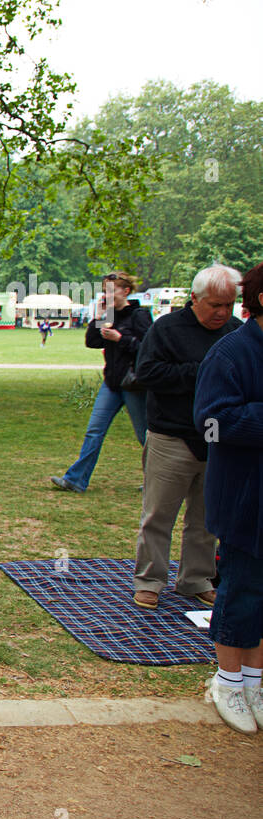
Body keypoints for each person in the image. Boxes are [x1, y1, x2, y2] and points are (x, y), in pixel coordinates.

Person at [131, 263, 243, 611]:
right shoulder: (166, 329)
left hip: (219, 438)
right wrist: (202, 373)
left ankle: (196, 578)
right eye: (215, 305)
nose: (222, 312)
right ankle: (150, 580)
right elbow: (146, 372)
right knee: (158, 515)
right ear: (194, 299)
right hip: (171, 435)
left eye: (229, 304)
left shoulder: (238, 332)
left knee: (207, 518)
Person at [193, 261, 263, 732]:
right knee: (240, 591)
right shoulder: (231, 353)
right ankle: (227, 681)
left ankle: (255, 680)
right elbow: (212, 422)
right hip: (244, 500)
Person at [49, 272, 151, 493]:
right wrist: (99, 317)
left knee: (145, 435)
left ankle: (159, 480)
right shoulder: (110, 314)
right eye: (105, 290)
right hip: (112, 383)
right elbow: (92, 342)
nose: (108, 294)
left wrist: (121, 339)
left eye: (112, 290)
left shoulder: (139, 315)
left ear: (125, 291)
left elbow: (149, 348)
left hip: (133, 384)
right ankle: (76, 480)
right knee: (94, 430)